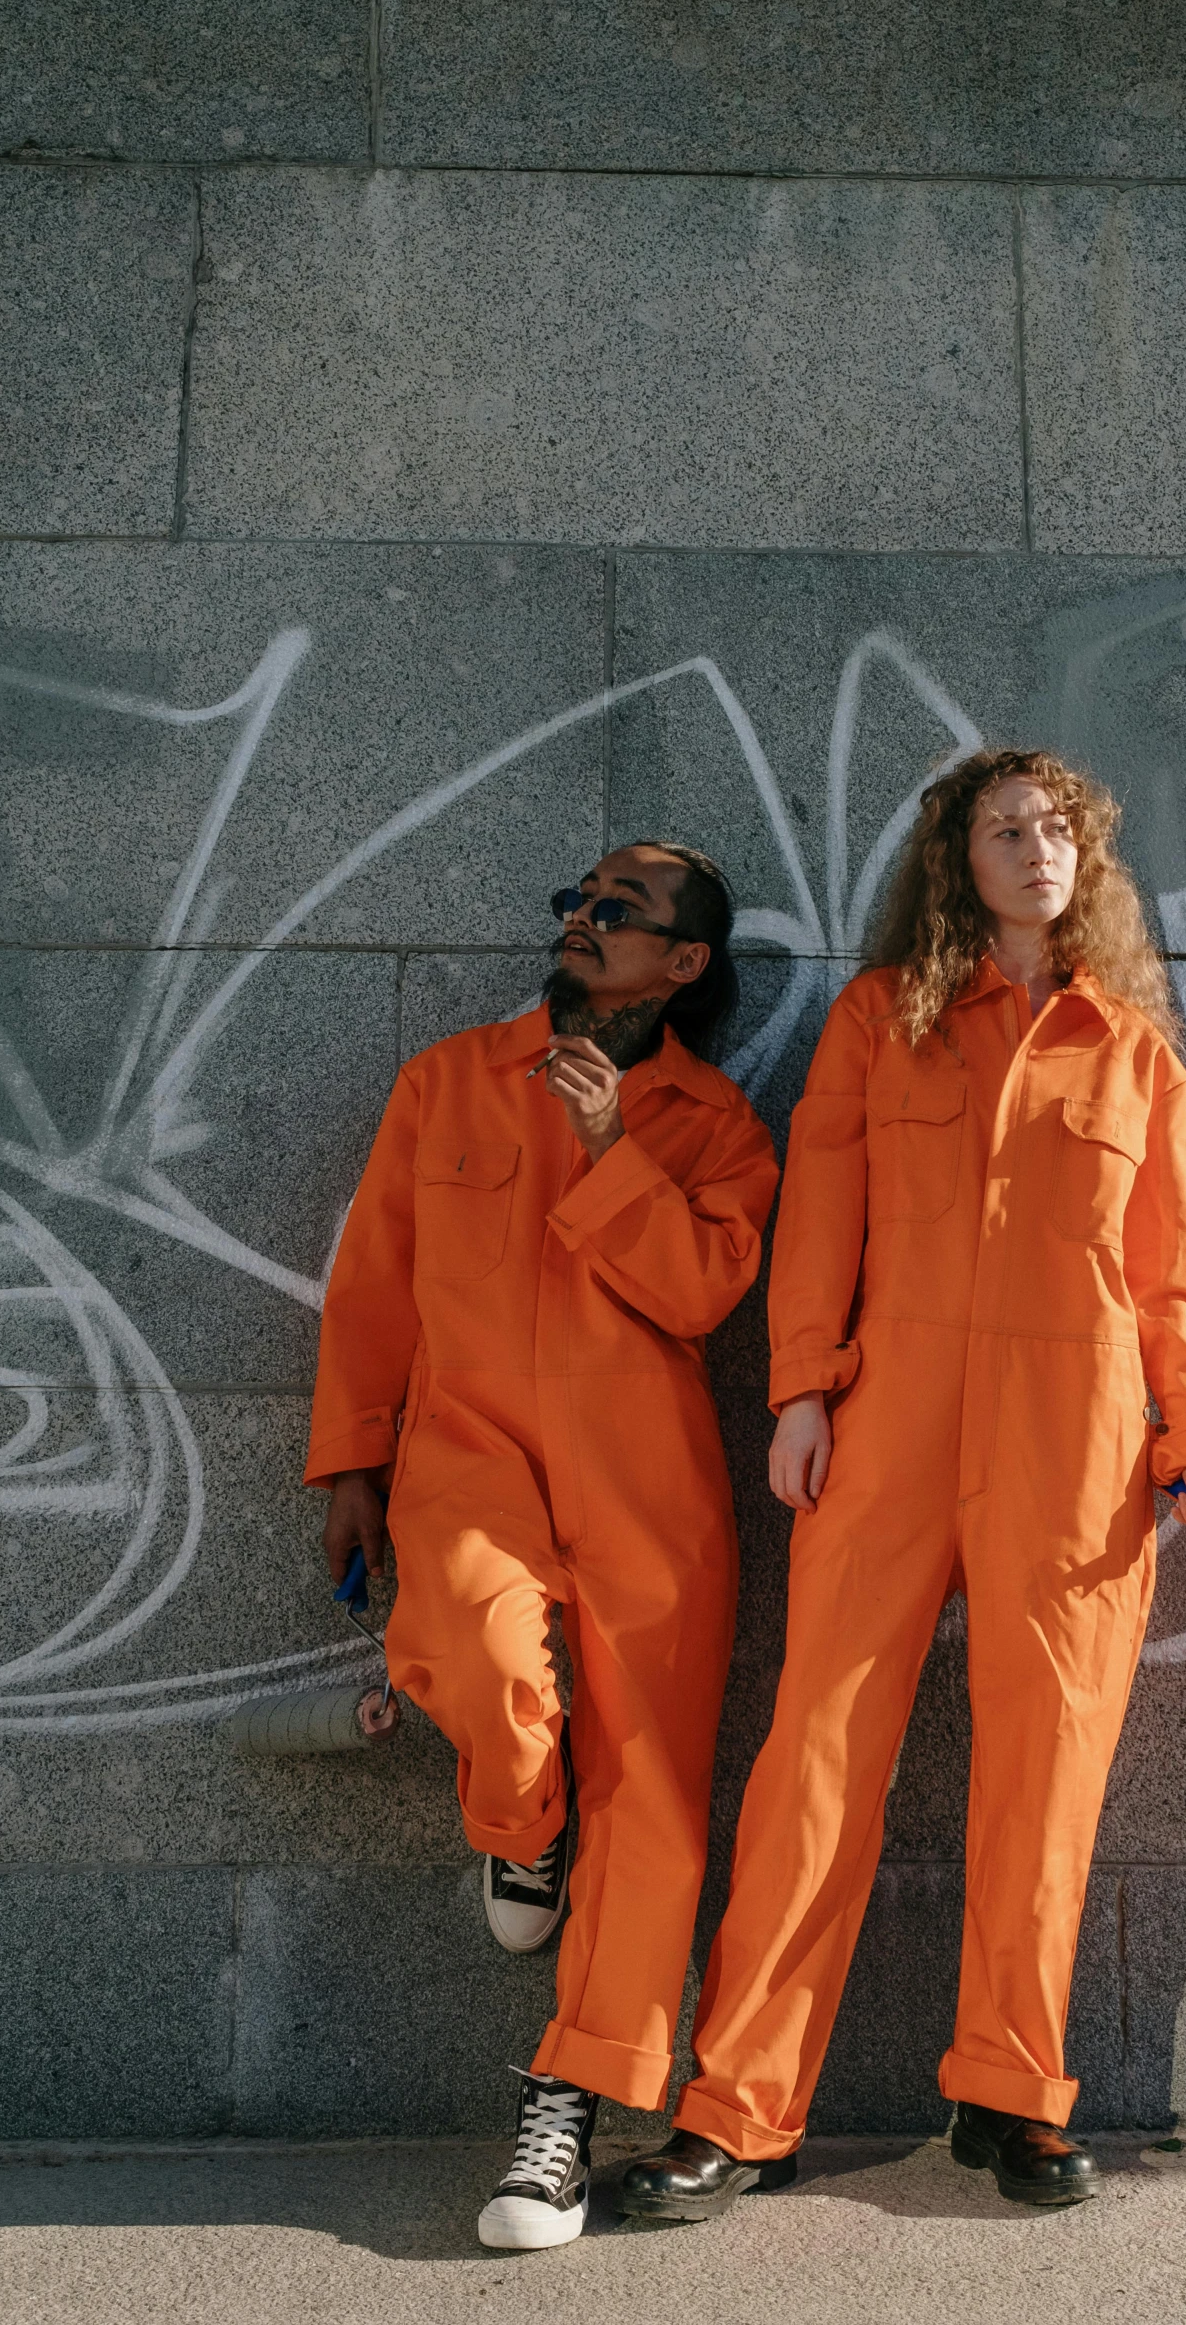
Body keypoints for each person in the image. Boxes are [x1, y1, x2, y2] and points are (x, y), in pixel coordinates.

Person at [621, 751, 1186, 2221]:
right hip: (886, 1421)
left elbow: (1167, 1270)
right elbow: (821, 1218)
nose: (1036, 850)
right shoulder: (876, 1021)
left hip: (1076, 1439)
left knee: (1048, 1773)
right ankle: (738, 2109)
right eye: (1003, 829)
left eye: (1058, 829)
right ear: (954, 861)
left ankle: (1013, 2096)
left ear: (1088, 859)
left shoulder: (1132, 1052)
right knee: (815, 1757)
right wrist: (795, 1393)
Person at [306, 842, 778, 2252]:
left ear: (682, 964)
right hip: (468, 1455)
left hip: (650, 1481)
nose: (581, 920)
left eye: (616, 912)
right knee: (477, 1650)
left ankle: (569, 2107)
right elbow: (375, 1276)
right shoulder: (451, 1076)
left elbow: (702, 1292)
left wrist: (610, 1152)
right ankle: (521, 1830)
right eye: (573, 899)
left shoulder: (716, 1122)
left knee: (654, 1798)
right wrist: (350, 1460)